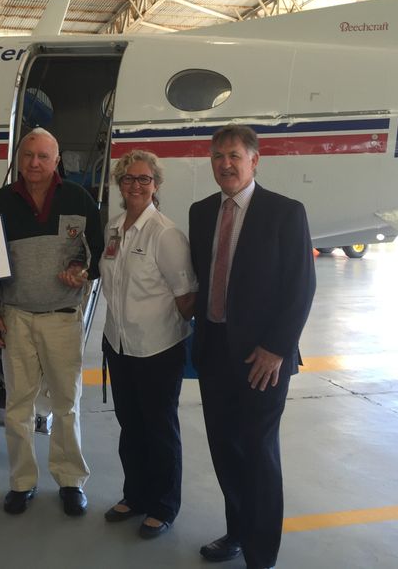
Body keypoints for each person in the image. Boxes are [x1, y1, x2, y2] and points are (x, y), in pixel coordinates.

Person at [189, 125, 316, 569]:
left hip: (264, 357)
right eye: (218, 156)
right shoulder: (201, 212)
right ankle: (237, 531)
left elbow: (300, 288)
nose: (225, 164)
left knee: (259, 450)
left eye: (234, 156)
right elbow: (201, 280)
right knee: (225, 448)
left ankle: (261, 555)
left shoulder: (284, 212)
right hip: (215, 349)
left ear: (254, 161)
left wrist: (276, 349)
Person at [0, 127, 104, 517]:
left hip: (61, 317)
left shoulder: (78, 198)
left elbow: (97, 251)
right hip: (16, 315)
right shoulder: (3, 200)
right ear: (20, 159)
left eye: (43, 156)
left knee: (67, 403)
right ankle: (21, 483)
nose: (34, 163)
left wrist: (80, 267)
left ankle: (71, 481)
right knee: (17, 404)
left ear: (57, 162)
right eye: (28, 155)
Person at [100, 150, 197, 539]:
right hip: (119, 345)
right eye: (128, 179)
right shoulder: (113, 227)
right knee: (131, 426)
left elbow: (186, 296)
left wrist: (168, 324)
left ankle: (164, 505)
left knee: (159, 429)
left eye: (144, 179)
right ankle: (135, 495)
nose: (136, 186)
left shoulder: (165, 234)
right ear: (120, 185)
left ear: (156, 185)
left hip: (158, 349)